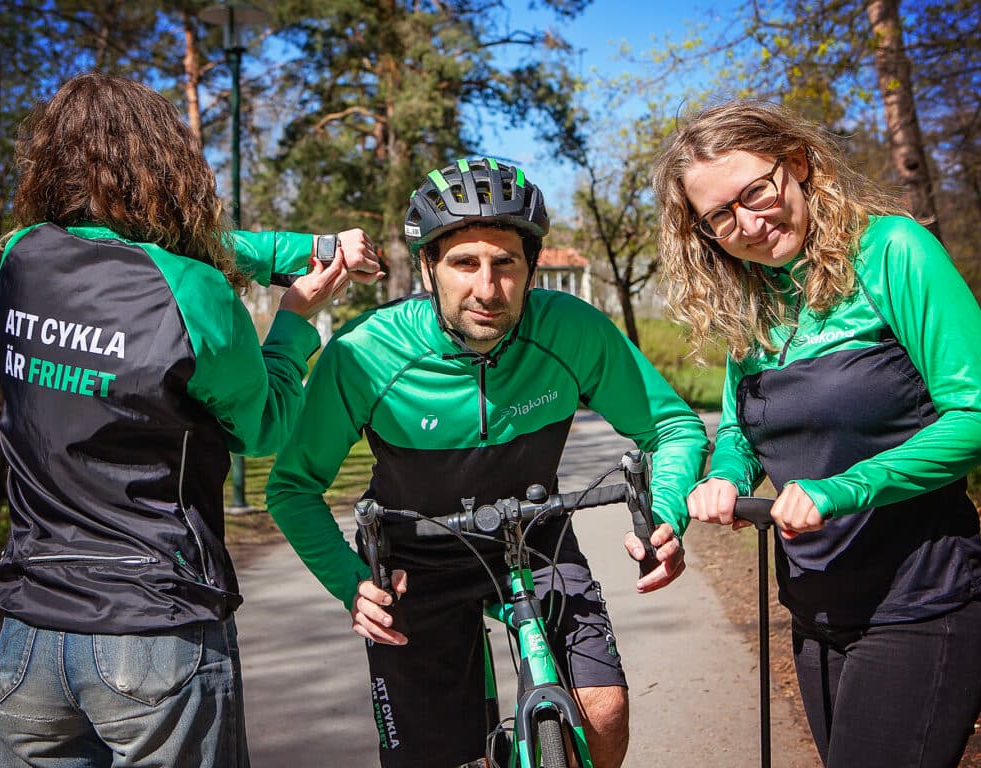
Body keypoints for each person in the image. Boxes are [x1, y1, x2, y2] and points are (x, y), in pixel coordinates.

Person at [0, 73, 382, 768]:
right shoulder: (193, 291)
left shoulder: (20, 254)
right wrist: (293, 322)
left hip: (26, 642)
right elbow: (266, 428)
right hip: (154, 633)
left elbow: (187, 247)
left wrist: (304, 246)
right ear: (163, 165)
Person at [266, 156, 709, 767]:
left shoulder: (572, 329)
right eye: (464, 263)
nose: (487, 288)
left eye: (506, 264)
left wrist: (663, 513)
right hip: (414, 559)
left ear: (530, 269)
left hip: (538, 538)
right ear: (428, 267)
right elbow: (292, 488)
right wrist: (351, 584)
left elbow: (673, 425)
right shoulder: (364, 354)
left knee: (603, 712)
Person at [652, 99, 981, 767]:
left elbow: (973, 413)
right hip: (815, 609)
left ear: (797, 164)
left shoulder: (892, 250)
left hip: (921, 599)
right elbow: (745, 426)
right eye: (720, 215)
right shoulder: (757, 297)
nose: (748, 222)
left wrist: (845, 488)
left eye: (756, 191)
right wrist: (724, 476)